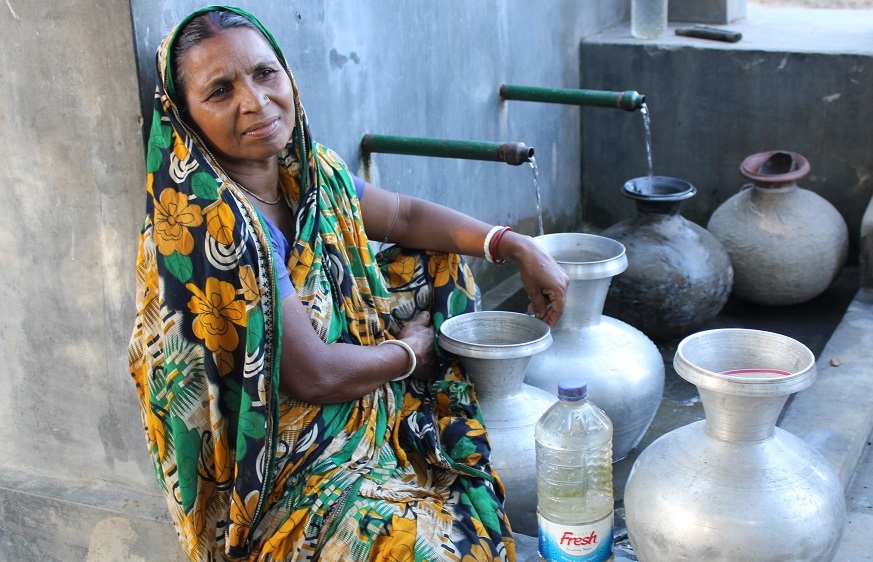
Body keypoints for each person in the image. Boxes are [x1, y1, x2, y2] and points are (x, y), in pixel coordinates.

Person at [128, 6, 569, 561]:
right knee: (425, 550)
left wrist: (513, 244)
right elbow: (311, 374)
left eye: (266, 73)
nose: (255, 101)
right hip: (282, 465)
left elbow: (404, 215)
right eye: (220, 90)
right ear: (185, 117)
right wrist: (408, 354)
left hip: (351, 387)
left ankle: (416, 418)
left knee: (437, 258)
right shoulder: (206, 222)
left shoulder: (307, 171)